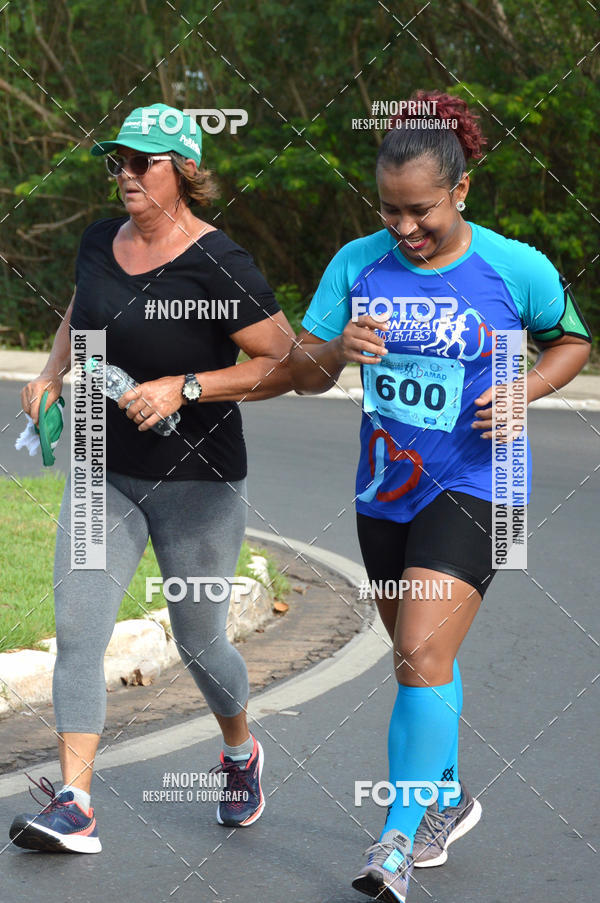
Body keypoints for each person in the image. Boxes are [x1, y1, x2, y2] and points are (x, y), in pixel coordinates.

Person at [289, 89, 591, 902]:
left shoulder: (515, 266)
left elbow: (572, 339)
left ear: (461, 190)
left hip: (481, 481)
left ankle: (394, 835)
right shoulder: (355, 263)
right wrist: (334, 349)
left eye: (420, 210)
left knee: (423, 651)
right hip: (386, 491)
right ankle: (449, 797)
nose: (404, 228)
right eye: (389, 210)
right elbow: (304, 374)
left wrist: (525, 390)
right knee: (420, 660)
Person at [11, 103, 294, 853]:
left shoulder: (220, 263)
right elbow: (84, 307)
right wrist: (50, 371)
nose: (127, 175)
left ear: (184, 172)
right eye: (119, 162)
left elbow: (284, 363)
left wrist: (185, 386)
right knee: (78, 628)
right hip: (103, 464)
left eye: (144, 162)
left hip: (198, 483)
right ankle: (73, 799)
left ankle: (240, 751)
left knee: (201, 642)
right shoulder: (100, 241)